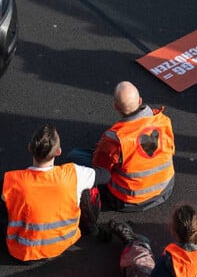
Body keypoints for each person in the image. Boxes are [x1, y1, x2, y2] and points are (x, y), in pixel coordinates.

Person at [0, 124, 111, 262]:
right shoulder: (73, 173)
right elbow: (105, 175)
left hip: (24, 252)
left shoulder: (16, 180)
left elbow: (0, 197)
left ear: (29, 148)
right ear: (58, 152)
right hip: (64, 242)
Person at [67, 81, 175, 212]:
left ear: (116, 107)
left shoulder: (115, 138)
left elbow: (101, 169)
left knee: (75, 155)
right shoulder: (163, 120)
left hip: (128, 200)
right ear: (140, 101)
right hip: (165, 189)